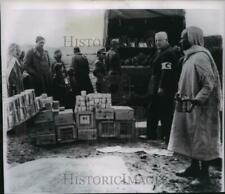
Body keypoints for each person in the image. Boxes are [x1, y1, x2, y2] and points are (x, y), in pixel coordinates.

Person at [168, 27, 222, 184]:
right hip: (190, 106)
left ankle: (204, 175)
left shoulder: (201, 57)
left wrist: (198, 99)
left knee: (201, 138)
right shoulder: (189, 57)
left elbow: (208, 83)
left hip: (202, 108)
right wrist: (180, 93)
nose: (180, 41)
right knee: (191, 135)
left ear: (192, 39)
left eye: (183, 38)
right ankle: (193, 167)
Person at [145, 32, 179, 143]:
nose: (157, 43)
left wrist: (161, 87)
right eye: (156, 41)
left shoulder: (167, 53)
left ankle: (166, 137)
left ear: (166, 40)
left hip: (163, 88)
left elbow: (166, 72)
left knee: (164, 113)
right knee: (153, 111)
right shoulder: (160, 52)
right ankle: (152, 134)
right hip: (157, 87)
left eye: (160, 40)